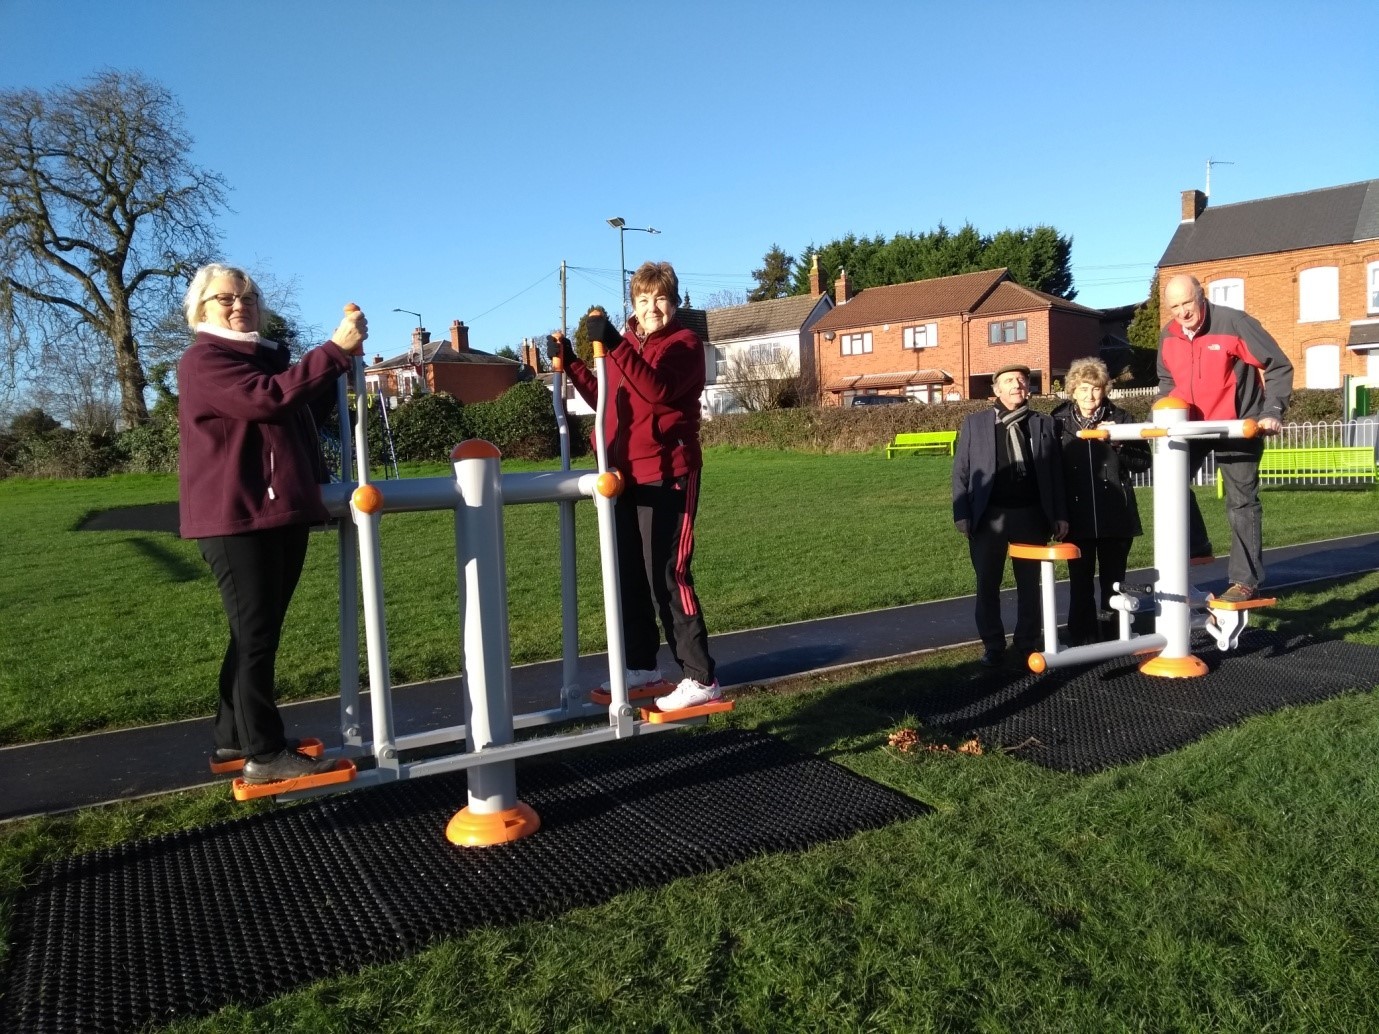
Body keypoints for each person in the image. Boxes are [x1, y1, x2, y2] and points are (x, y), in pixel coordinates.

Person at [178, 263, 368, 783]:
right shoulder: (205, 360)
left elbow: (290, 403)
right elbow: (268, 399)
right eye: (225, 299)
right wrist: (331, 351)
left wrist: (337, 365)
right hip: (239, 517)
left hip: (272, 511)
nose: (240, 305)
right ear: (201, 310)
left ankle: (232, 739)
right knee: (256, 637)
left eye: (248, 297)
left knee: (253, 634)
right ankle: (265, 754)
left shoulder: (260, 360)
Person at [552, 261, 719, 710]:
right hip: (623, 476)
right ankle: (643, 667)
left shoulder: (683, 345)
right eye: (643, 300)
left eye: (660, 299)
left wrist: (615, 342)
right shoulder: (630, 347)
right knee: (630, 577)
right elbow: (608, 396)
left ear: (675, 302)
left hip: (669, 473)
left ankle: (701, 677)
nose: (652, 308)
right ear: (634, 304)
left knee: (668, 573)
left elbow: (658, 390)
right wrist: (571, 362)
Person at [1158, 274, 1293, 602]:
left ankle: (1244, 582)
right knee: (1169, 485)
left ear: (1201, 296)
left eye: (1187, 303)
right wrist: (1162, 417)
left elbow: (1278, 365)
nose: (1182, 312)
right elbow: (1166, 381)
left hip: (1237, 424)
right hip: (1193, 426)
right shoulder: (1168, 335)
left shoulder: (1234, 323)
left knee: (1241, 500)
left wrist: (1271, 411)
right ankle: (1196, 547)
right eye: (1174, 306)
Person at [952, 363, 1069, 666]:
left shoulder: (1043, 424)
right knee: (987, 584)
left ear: (1028, 387)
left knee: (1030, 585)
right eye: (1009, 381)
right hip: (989, 518)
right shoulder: (975, 423)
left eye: (1021, 380)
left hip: (1032, 516)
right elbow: (962, 472)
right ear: (996, 389)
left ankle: (1027, 642)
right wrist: (961, 513)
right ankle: (993, 645)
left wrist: (1059, 514)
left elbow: (1055, 473)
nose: (1017, 385)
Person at [1052, 358, 1150, 644]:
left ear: (1104, 390)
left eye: (1095, 389)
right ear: (1072, 390)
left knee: (1114, 581)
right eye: (1083, 389)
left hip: (1115, 514)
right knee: (1079, 581)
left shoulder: (1122, 418)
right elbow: (1052, 470)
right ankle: (1080, 634)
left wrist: (1118, 440)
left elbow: (1143, 462)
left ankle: (1113, 633)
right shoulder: (1058, 421)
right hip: (1076, 515)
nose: (1089, 396)